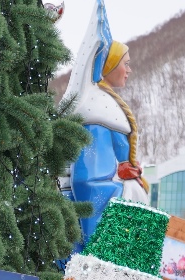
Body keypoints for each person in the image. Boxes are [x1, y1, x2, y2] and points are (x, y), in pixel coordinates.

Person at [62, 0, 149, 250]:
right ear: (109, 65)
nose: (129, 69)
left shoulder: (106, 106)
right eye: (125, 63)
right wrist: (123, 181)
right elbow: (88, 179)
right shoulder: (98, 113)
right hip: (107, 229)